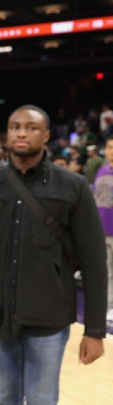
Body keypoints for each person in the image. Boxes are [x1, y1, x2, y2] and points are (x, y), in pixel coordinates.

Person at [0, 105, 107, 405]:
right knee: (5, 404)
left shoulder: (72, 187)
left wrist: (95, 331)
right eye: (15, 126)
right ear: (7, 133)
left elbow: (94, 263)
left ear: (46, 135)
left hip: (49, 320)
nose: (21, 132)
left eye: (31, 127)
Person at [92, 135, 113, 326]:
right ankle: (108, 306)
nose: (110, 151)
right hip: (102, 228)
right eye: (108, 147)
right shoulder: (101, 170)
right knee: (106, 271)